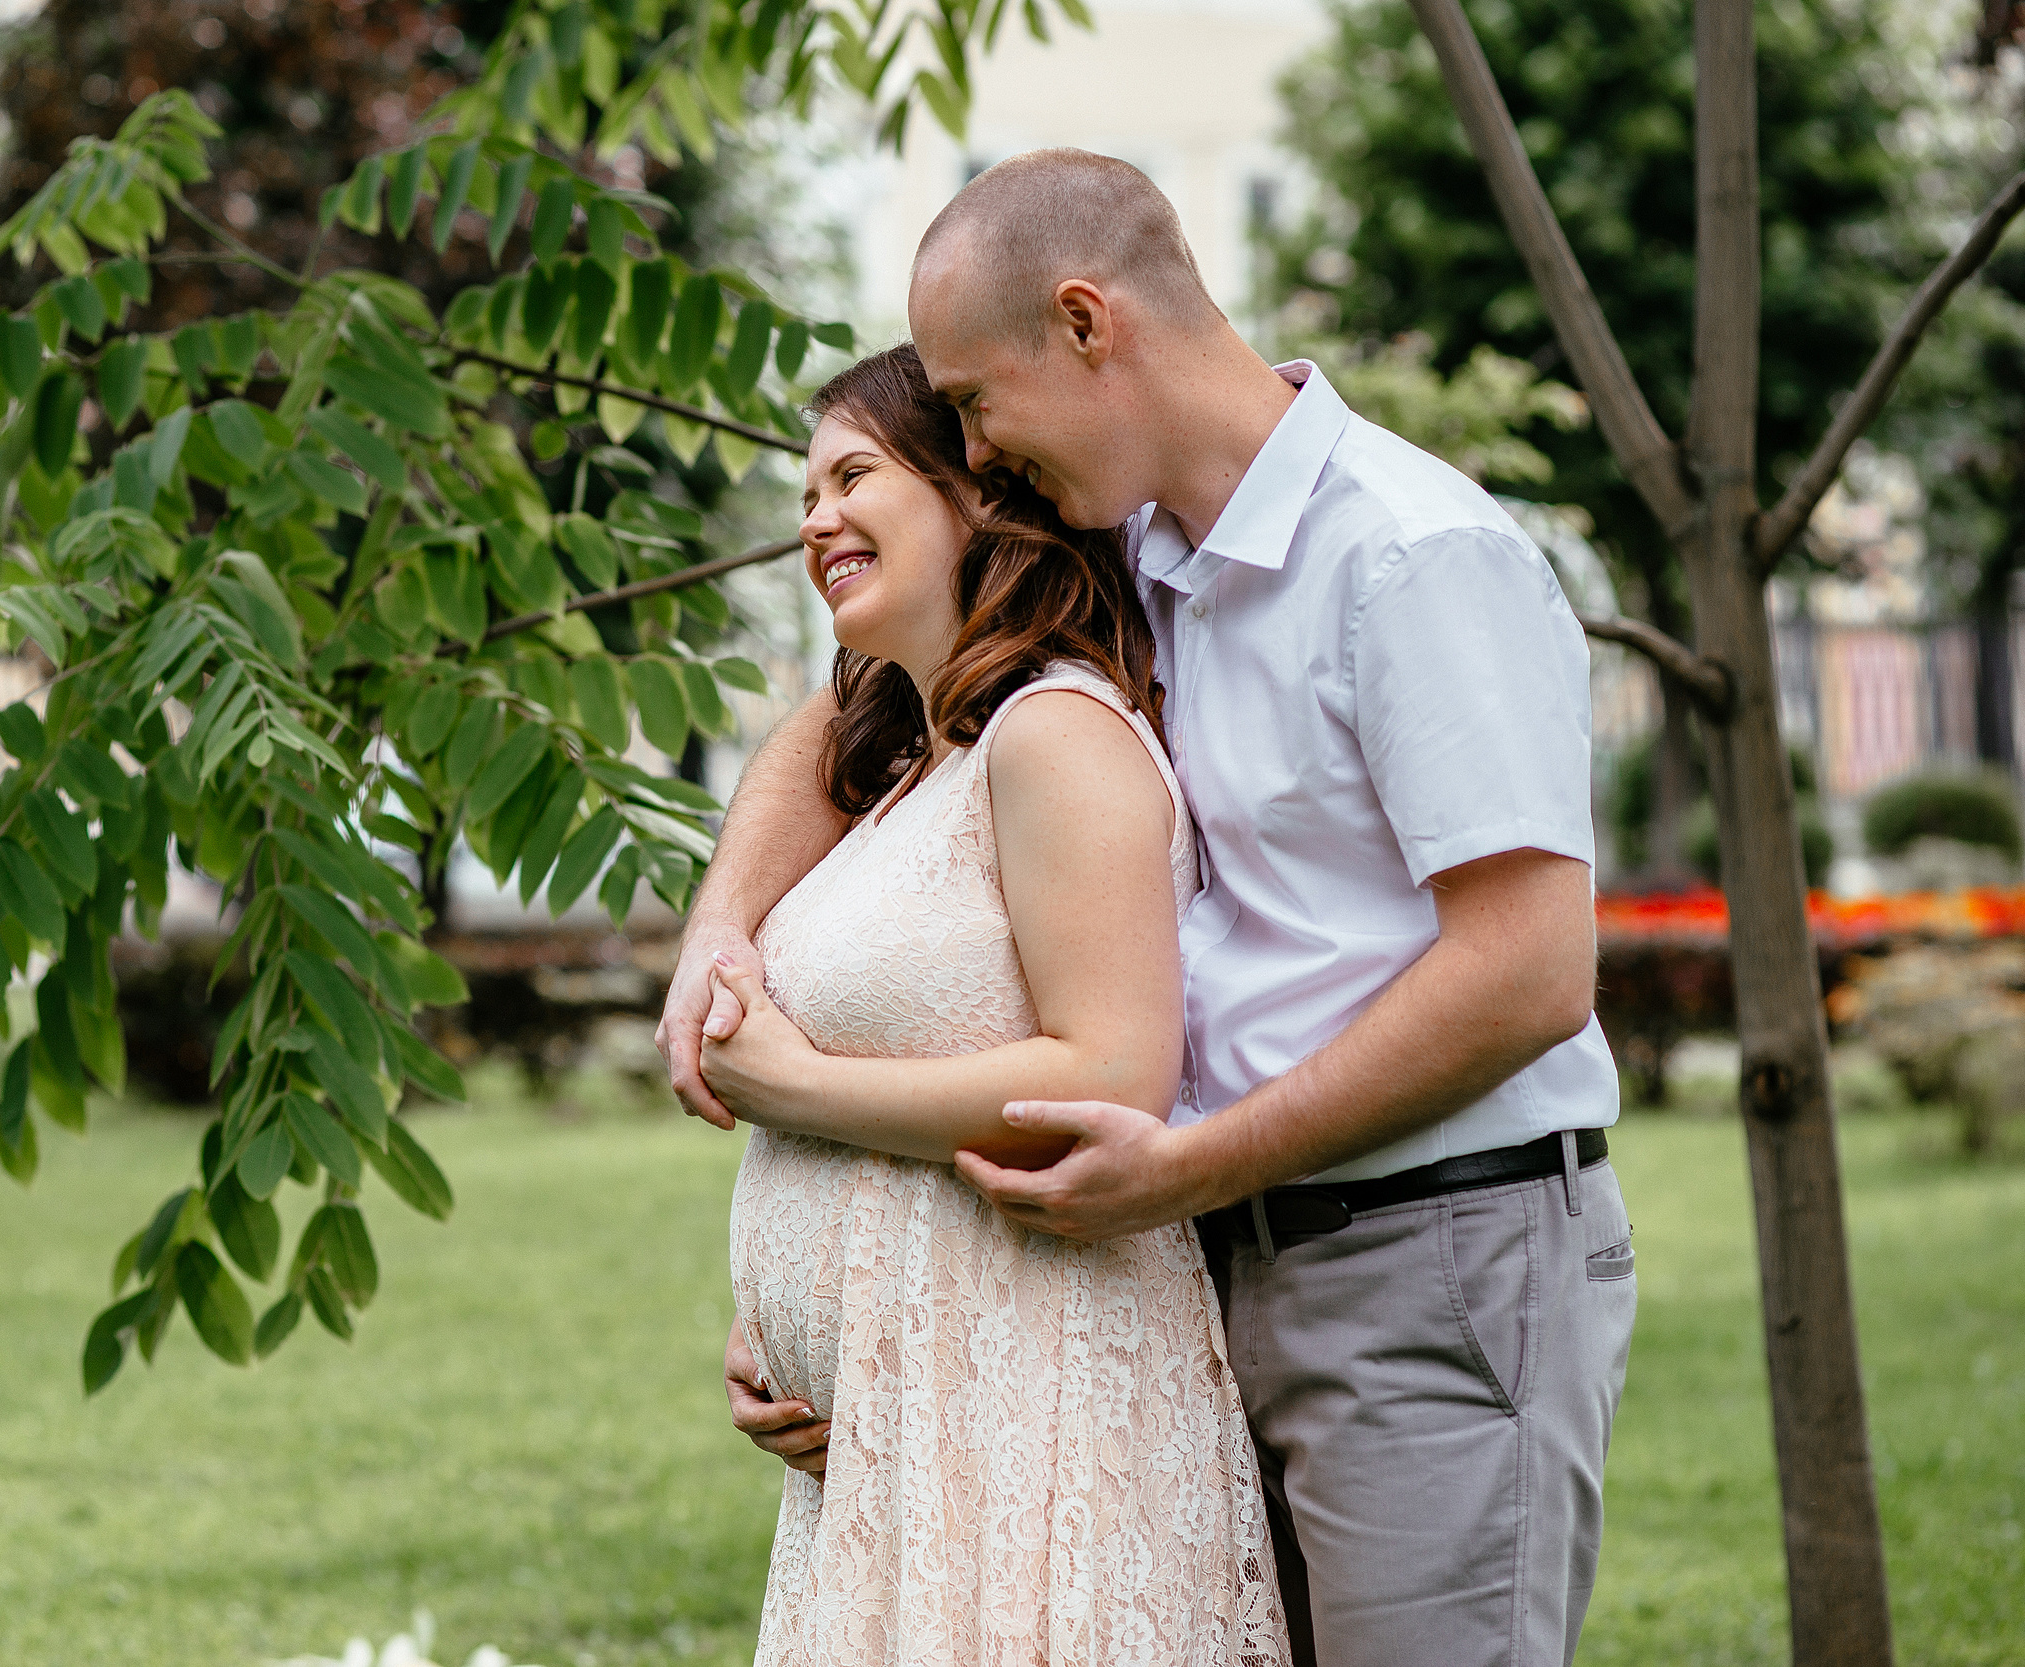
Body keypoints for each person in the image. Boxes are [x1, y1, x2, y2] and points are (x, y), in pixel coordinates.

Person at [664, 150, 1637, 1667]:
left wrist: (1187, 1165)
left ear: (1085, 322)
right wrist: (721, 933)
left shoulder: (1409, 555)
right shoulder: (1136, 545)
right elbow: (842, 711)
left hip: (1433, 1251)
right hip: (1194, 1271)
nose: (976, 456)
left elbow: (1529, 972)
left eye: (977, 404)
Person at [703, 343, 1288, 1665]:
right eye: (804, 494)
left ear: (976, 496)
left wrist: (792, 1090)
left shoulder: (1054, 734)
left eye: (853, 475)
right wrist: (794, 1333)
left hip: (1035, 1409)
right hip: (912, 1426)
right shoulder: (916, 764)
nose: (815, 519)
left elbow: (1108, 1073)